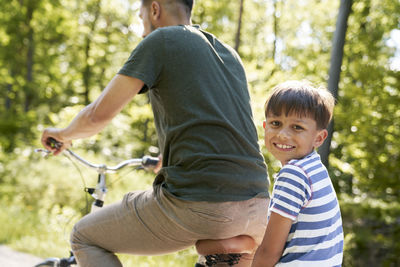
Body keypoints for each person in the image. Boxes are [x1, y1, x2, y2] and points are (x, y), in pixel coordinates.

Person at [41, 0, 270, 266]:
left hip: (200, 203)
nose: (141, 32)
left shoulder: (162, 40)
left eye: (141, 18)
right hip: (258, 207)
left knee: (84, 236)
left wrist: (63, 133)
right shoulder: (228, 53)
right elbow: (216, 125)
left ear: (155, 9)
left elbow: (97, 116)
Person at [252, 80, 344, 267]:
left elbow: (270, 252)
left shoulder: (294, 175)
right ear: (265, 126)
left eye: (297, 127)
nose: (283, 134)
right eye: (276, 123)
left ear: (319, 138)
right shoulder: (314, 168)